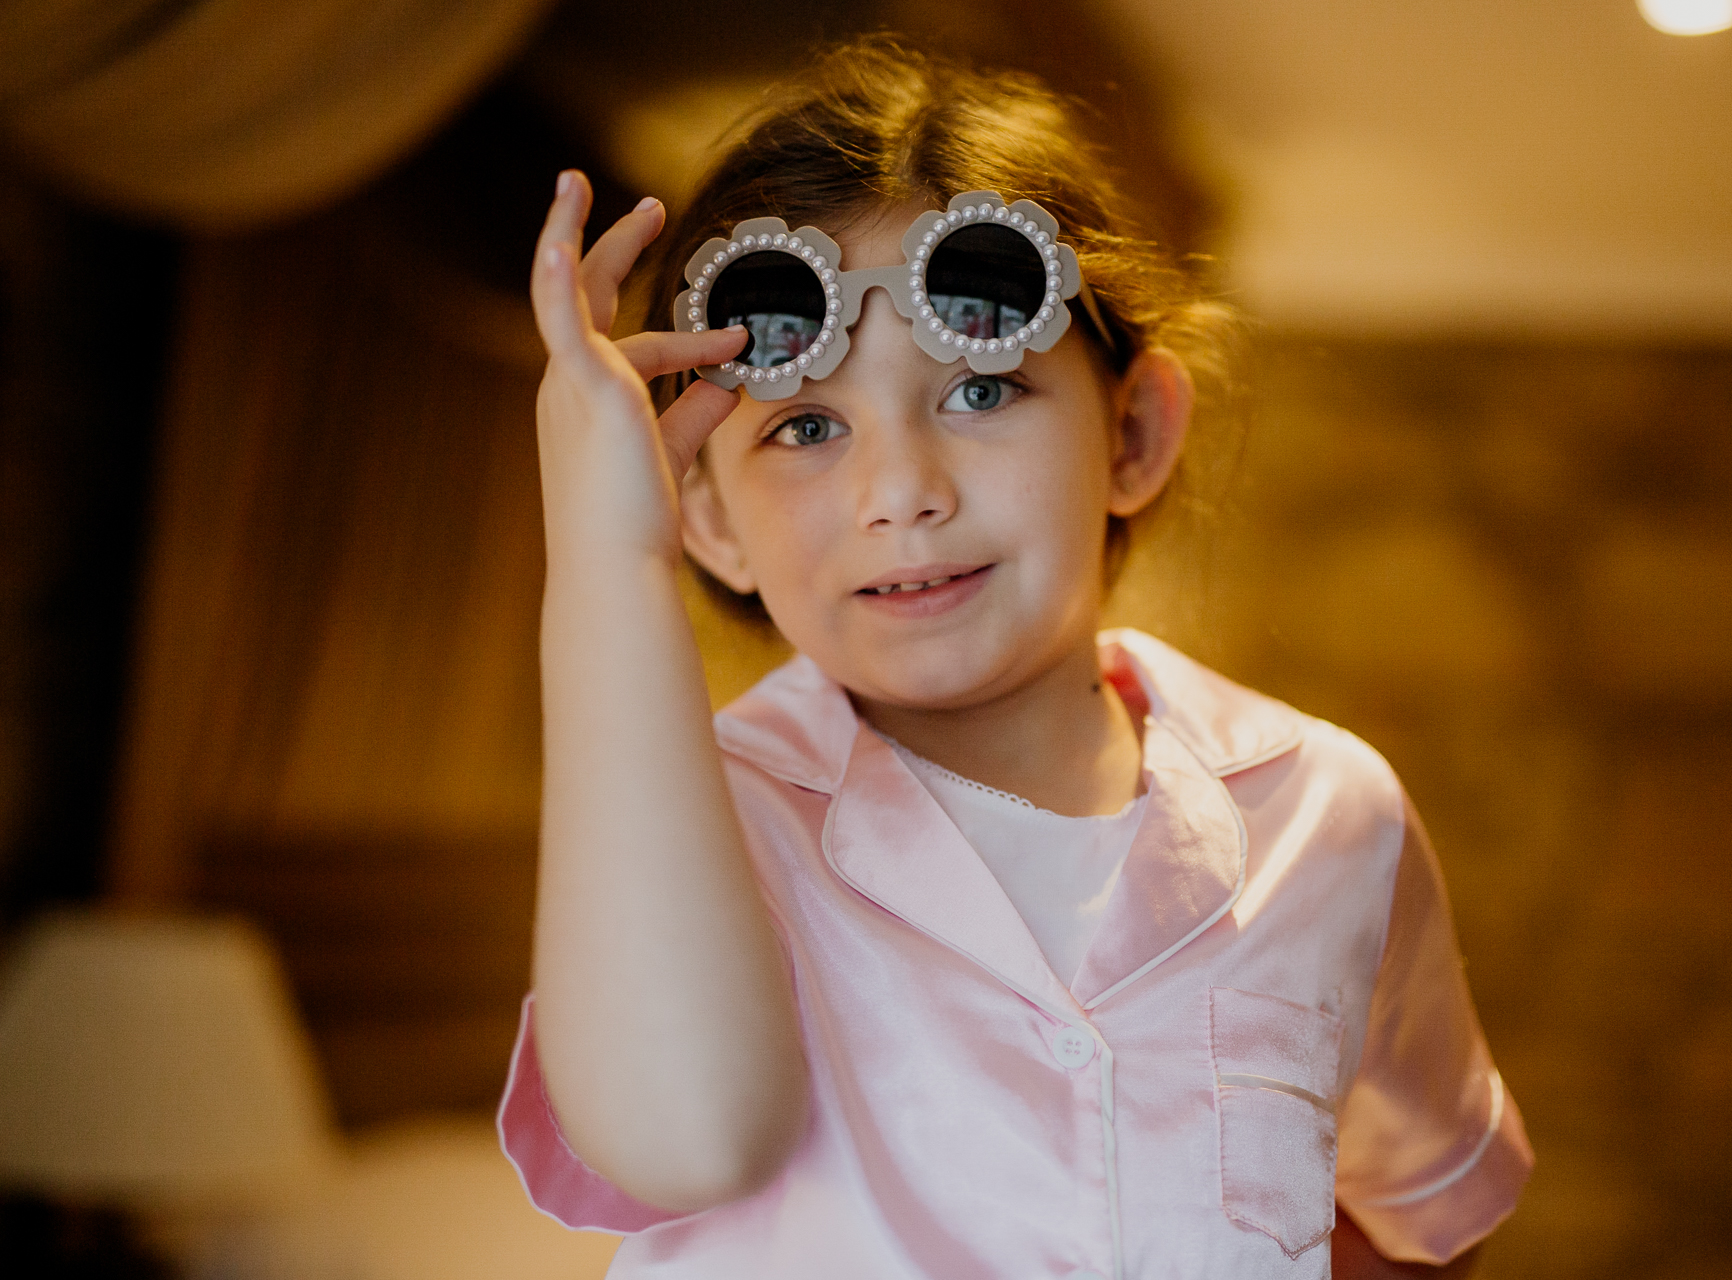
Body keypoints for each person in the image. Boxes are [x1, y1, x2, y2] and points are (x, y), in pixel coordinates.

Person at [500, 38, 1532, 1280]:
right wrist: (611, 557)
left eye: (982, 391)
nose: (902, 491)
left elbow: (1424, 1221)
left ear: (1136, 430)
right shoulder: (697, 823)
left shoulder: (1331, 815)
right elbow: (687, 1139)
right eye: (808, 426)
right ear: (706, 514)